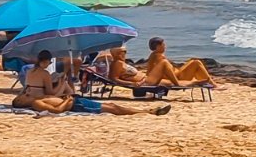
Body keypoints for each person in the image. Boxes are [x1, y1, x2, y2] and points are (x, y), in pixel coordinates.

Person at [11, 51, 168, 116]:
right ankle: (147, 112)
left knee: (113, 106)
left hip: (73, 100)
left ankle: (147, 111)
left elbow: (41, 93)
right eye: (21, 99)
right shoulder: (38, 102)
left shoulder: (33, 92)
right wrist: (67, 99)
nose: (22, 96)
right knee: (113, 108)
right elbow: (57, 109)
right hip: (75, 104)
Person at [136, 37, 215, 88]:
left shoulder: (154, 55)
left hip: (177, 75)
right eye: (163, 45)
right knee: (196, 63)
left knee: (194, 61)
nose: (165, 46)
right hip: (178, 78)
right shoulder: (158, 57)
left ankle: (209, 82)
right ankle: (213, 85)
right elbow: (166, 72)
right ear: (158, 46)